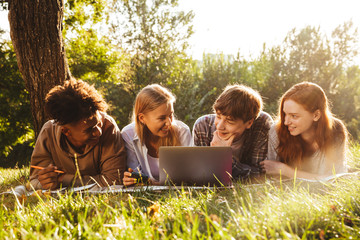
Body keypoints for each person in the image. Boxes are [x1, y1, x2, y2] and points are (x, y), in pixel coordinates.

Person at [29, 79, 127, 190]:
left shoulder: (108, 128)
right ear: (66, 132)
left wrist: (63, 179)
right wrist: (44, 183)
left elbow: (114, 180)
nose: (98, 132)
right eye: (89, 130)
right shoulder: (48, 132)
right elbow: (34, 180)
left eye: (98, 123)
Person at [260, 82, 348, 180]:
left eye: (294, 116)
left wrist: (284, 170)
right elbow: (272, 178)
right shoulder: (276, 131)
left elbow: (335, 179)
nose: (286, 122)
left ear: (316, 115)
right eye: (285, 114)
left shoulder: (335, 130)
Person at [193, 84, 273, 180]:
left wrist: (224, 157)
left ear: (249, 123)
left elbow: (259, 174)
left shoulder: (262, 124)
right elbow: (202, 173)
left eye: (229, 121)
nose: (219, 126)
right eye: (218, 116)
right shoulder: (203, 125)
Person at [121, 84, 192, 186]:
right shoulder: (128, 135)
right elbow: (136, 176)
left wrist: (150, 183)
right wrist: (130, 179)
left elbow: (188, 176)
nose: (169, 123)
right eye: (162, 118)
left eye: (171, 115)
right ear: (142, 118)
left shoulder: (182, 131)